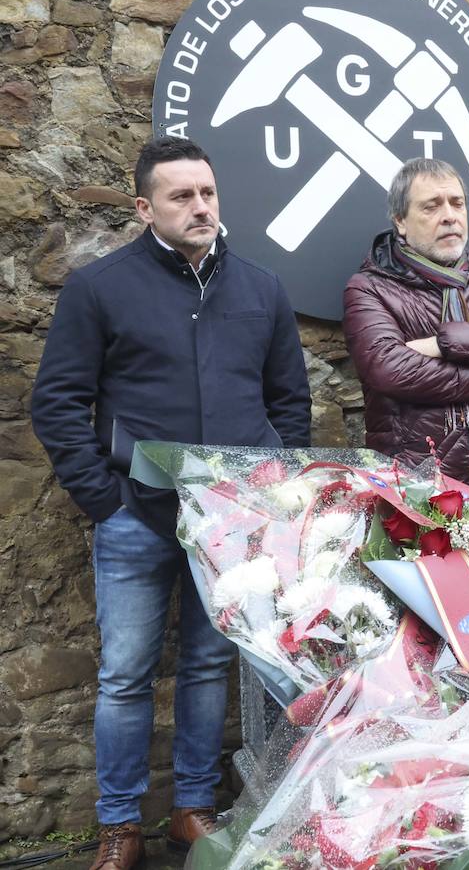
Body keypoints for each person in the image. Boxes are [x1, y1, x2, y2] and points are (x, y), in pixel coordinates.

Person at [31, 136, 312, 869]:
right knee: (125, 674)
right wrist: (105, 500)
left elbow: (290, 400)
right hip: (136, 519)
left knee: (206, 668)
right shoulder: (100, 288)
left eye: (208, 193)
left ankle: (192, 807)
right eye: (181, 195)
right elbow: (58, 402)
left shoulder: (261, 288)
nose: (200, 207)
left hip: (229, 522)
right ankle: (119, 825)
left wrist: (267, 494)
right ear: (143, 207)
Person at [342, 158, 469, 509]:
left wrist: (443, 343)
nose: (450, 215)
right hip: (416, 496)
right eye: (431, 206)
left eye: (457, 203)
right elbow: (390, 368)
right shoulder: (368, 289)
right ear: (400, 222)